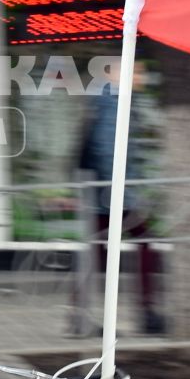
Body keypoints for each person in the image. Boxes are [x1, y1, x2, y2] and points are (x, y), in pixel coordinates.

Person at [75, 60, 166, 335]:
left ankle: (82, 316)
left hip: (108, 193)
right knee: (140, 246)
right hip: (112, 195)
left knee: (100, 254)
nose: (142, 76)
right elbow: (108, 149)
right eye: (136, 71)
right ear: (117, 73)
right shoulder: (112, 102)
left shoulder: (114, 99)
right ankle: (146, 313)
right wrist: (126, 196)